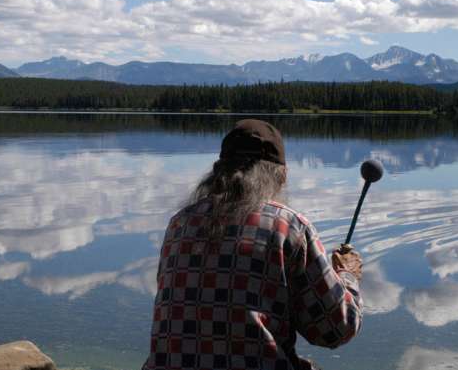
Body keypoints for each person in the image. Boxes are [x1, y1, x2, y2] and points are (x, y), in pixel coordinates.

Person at [143, 119, 363, 370]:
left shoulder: (179, 224)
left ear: (217, 172)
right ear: (281, 176)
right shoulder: (289, 227)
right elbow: (335, 329)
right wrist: (347, 275)